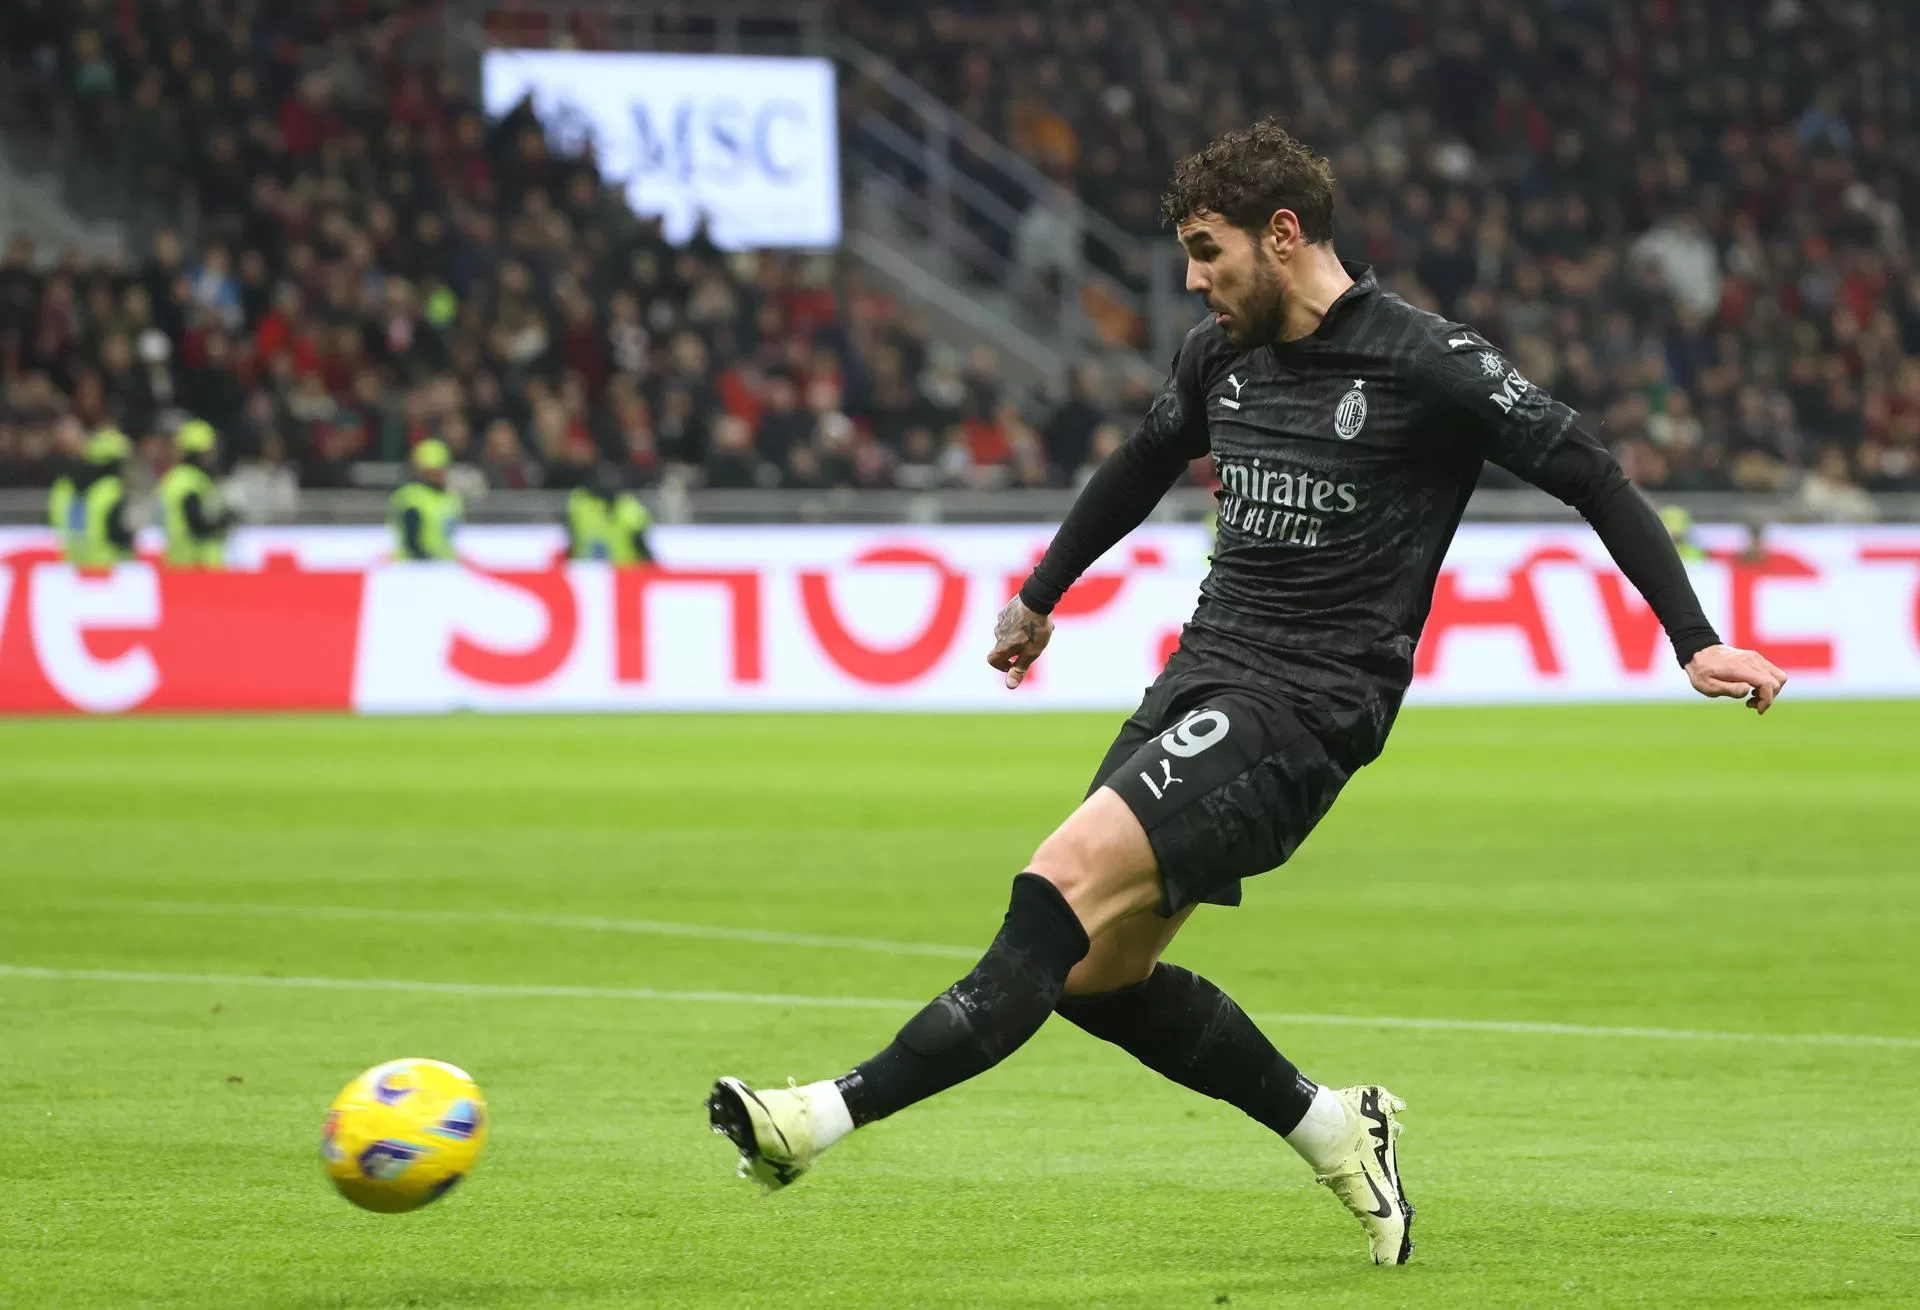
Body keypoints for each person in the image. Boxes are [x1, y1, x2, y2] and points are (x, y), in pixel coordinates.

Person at [705, 121, 1789, 1267]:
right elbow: (1142, 458)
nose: (1192, 278)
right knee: (1095, 975)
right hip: (1201, 679)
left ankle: (813, 1117)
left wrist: (1694, 639)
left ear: (1283, 236)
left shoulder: (1427, 362)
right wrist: (1039, 595)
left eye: (1207, 250)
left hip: (1306, 711)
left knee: (1052, 888)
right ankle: (1332, 1122)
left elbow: (1592, 472)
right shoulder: (1219, 353)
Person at [159, 419, 235, 567]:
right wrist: (223, 521)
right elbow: (197, 525)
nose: (214, 454)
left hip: (180, 560)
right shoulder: (190, 480)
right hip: (196, 563)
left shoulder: (176, 477)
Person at [58, 428, 137, 566]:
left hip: (72, 567)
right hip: (107, 568)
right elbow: (116, 533)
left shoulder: (64, 487)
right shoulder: (111, 489)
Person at [388, 438, 462, 561]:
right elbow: (411, 540)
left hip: (443, 565)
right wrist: (426, 559)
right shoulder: (410, 496)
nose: (435, 475)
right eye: (430, 471)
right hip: (415, 566)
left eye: (438, 470)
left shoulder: (452, 497)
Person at [565, 464, 654, 564]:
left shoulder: (579, 503)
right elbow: (641, 547)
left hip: (593, 571)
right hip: (619, 570)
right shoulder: (630, 507)